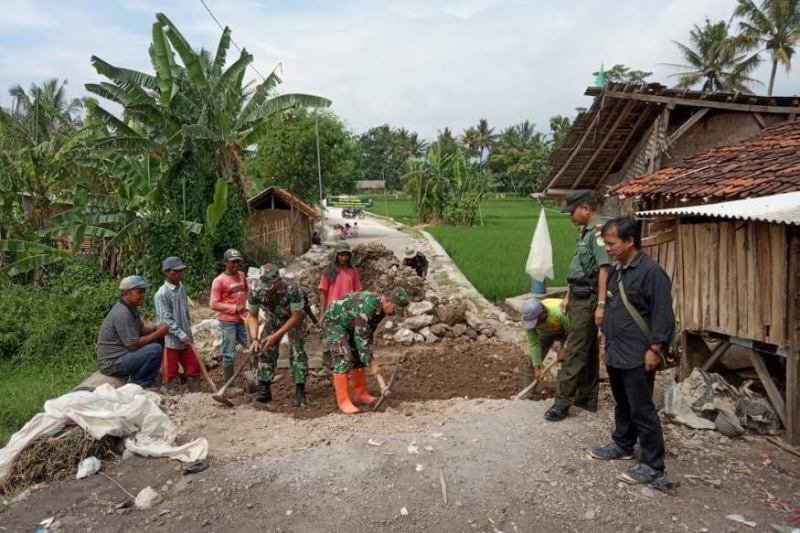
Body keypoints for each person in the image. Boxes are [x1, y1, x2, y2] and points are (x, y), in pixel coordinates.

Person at [590, 217, 674, 484]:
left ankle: (652, 464)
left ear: (629, 241)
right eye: (605, 243)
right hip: (617, 350)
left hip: (639, 353)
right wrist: (605, 343)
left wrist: (655, 348)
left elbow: (663, 314)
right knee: (622, 403)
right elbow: (614, 309)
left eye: (611, 243)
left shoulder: (652, 273)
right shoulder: (617, 271)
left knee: (641, 408)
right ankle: (623, 443)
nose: (608, 248)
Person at [545, 190, 610, 422]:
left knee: (573, 349)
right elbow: (578, 267)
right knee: (587, 350)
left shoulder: (598, 232)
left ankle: (561, 402)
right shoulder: (583, 232)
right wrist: (567, 294)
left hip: (589, 299)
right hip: (578, 296)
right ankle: (587, 397)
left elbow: (604, 268)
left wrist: (601, 304)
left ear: (585, 208)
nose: (570, 217)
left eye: (572, 212)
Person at [322, 288, 409, 414]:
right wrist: (372, 363)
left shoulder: (381, 310)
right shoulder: (369, 307)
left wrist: (367, 357)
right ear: (388, 301)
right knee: (344, 357)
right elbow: (361, 336)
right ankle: (343, 401)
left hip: (351, 323)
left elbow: (367, 334)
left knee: (358, 356)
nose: (395, 313)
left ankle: (361, 394)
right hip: (335, 321)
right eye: (395, 309)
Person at [247, 264, 311, 408]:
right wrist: (255, 339)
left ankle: (300, 389)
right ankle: (264, 387)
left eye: (271, 284)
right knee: (264, 349)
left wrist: (276, 336)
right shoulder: (256, 289)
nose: (267, 288)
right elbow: (252, 315)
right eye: (265, 284)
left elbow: (296, 317)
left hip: (294, 320)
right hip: (273, 317)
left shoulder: (292, 289)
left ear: (278, 280)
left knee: (297, 351)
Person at [96, 275, 168, 388]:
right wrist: (158, 332)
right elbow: (133, 345)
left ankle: (147, 376)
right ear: (126, 293)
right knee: (155, 349)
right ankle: (142, 383)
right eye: (139, 292)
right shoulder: (122, 313)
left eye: (144, 291)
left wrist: (156, 328)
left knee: (159, 339)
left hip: (123, 355)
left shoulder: (132, 308)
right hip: (113, 363)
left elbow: (141, 330)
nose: (143, 295)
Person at [154, 256, 201, 392]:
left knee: (193, 368)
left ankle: (197, 398)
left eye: (181, 271)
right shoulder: (161, 294)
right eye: (176, 272)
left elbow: (185, 313)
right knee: (170, 373)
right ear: (167, 273)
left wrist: (188, 333)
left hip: (186, 339)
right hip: (171, 341)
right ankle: (173, 400)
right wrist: (181, 334)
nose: (180, 274)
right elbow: (166, 319)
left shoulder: (181, 288)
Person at [316, 241, 362, 377]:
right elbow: (323, 294)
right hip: (332, 311)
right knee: (328, 340)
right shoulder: (329, 272)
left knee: (347, 340)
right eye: (341, 255)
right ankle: (326, 368)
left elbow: (357, 292)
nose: (344, 258)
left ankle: (347, 368)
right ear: (336, 255)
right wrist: (322, 314)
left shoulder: (352, 272)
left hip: (347, 312)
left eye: (346, 255)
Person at [209, 249, 249, 383]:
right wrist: (234, 308)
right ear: (225, 263)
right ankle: (229, 384)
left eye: (238, 262)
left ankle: (256, 377)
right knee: (229, 353)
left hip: (242, 319)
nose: (236, 265)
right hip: (228, 322)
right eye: (233, 262)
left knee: (250, 347)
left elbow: (246, 291)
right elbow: (213, 303)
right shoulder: (219, 281)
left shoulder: (242, 276)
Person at [520, 298, 569, 388]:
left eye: (535, 322)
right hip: (546, 332)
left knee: (569, 361)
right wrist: (536, 368)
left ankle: (565, 393)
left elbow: (574, 332)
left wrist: (565, 349)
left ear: (542, 314)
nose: (533, 325)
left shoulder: (559, 312)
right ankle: (527, 397)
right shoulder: (527, 318)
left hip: (566, 330)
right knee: (532, 363)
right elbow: (534, 344)